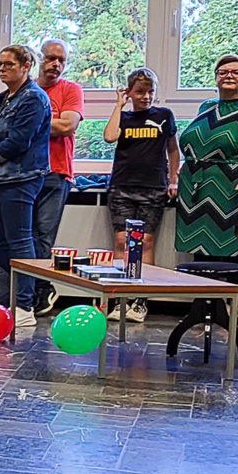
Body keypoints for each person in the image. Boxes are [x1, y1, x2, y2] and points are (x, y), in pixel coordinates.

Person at [175, 54, 238, 315]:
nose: (229, 76)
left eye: (236, 72)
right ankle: (202, 310)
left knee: (236, 251)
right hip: (197, 191)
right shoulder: (207, 107)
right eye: (222, 72)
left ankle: (234, 312)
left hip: (235, 190)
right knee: (201, 252)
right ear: (215, 78)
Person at [0, 44, 52, 329]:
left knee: (19, 241)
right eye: (0, 64)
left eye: (9, 64)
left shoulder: (34, 99)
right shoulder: (3, 97)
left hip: (21, 177)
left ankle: (24, 304)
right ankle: (7, 299)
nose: (3, 69)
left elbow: (18, 141)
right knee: (0, 242)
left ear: (26, 66)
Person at [102, 67, 180, 323]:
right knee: (123, 242)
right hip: (122, 187)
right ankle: (119, 298)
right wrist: (118, 105)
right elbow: (109, 137)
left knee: (144, 243)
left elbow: (173, 151)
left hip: (153, 188)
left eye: (150, 91)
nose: (145, 96)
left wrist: (173, 180)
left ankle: (139, 300)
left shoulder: (164, 116)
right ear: (130, 92)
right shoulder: (123, 118)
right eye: (139, 92)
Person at [31, 39, 84, 315]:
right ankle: (23, 290)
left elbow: (67, 125)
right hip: (24, 174)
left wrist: (27, 123)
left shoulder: (71, 89)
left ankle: (42, 290)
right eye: (51, 58)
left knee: (43, 236)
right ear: (38, 59)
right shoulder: (27, 89)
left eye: (61, 60)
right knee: (21, 237)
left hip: (57, 173)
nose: (56, 65)